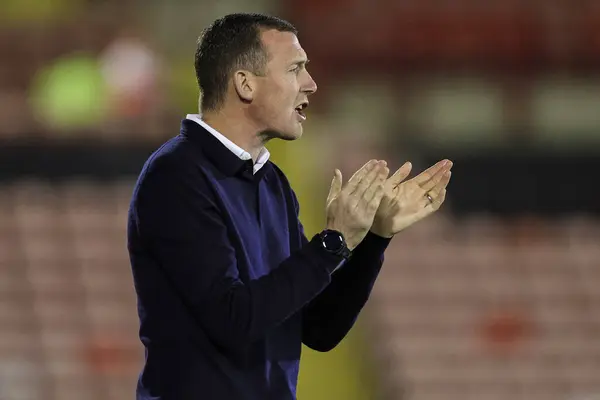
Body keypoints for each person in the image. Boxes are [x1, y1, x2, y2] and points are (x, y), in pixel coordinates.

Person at [127, 13, 452, 400]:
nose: (311, 84)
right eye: (296, 69)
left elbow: (318, 328)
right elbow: (232, 320)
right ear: (245, 84)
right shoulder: (176, 176)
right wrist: (332, 242)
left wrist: (373, 239)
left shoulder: (272, 182)